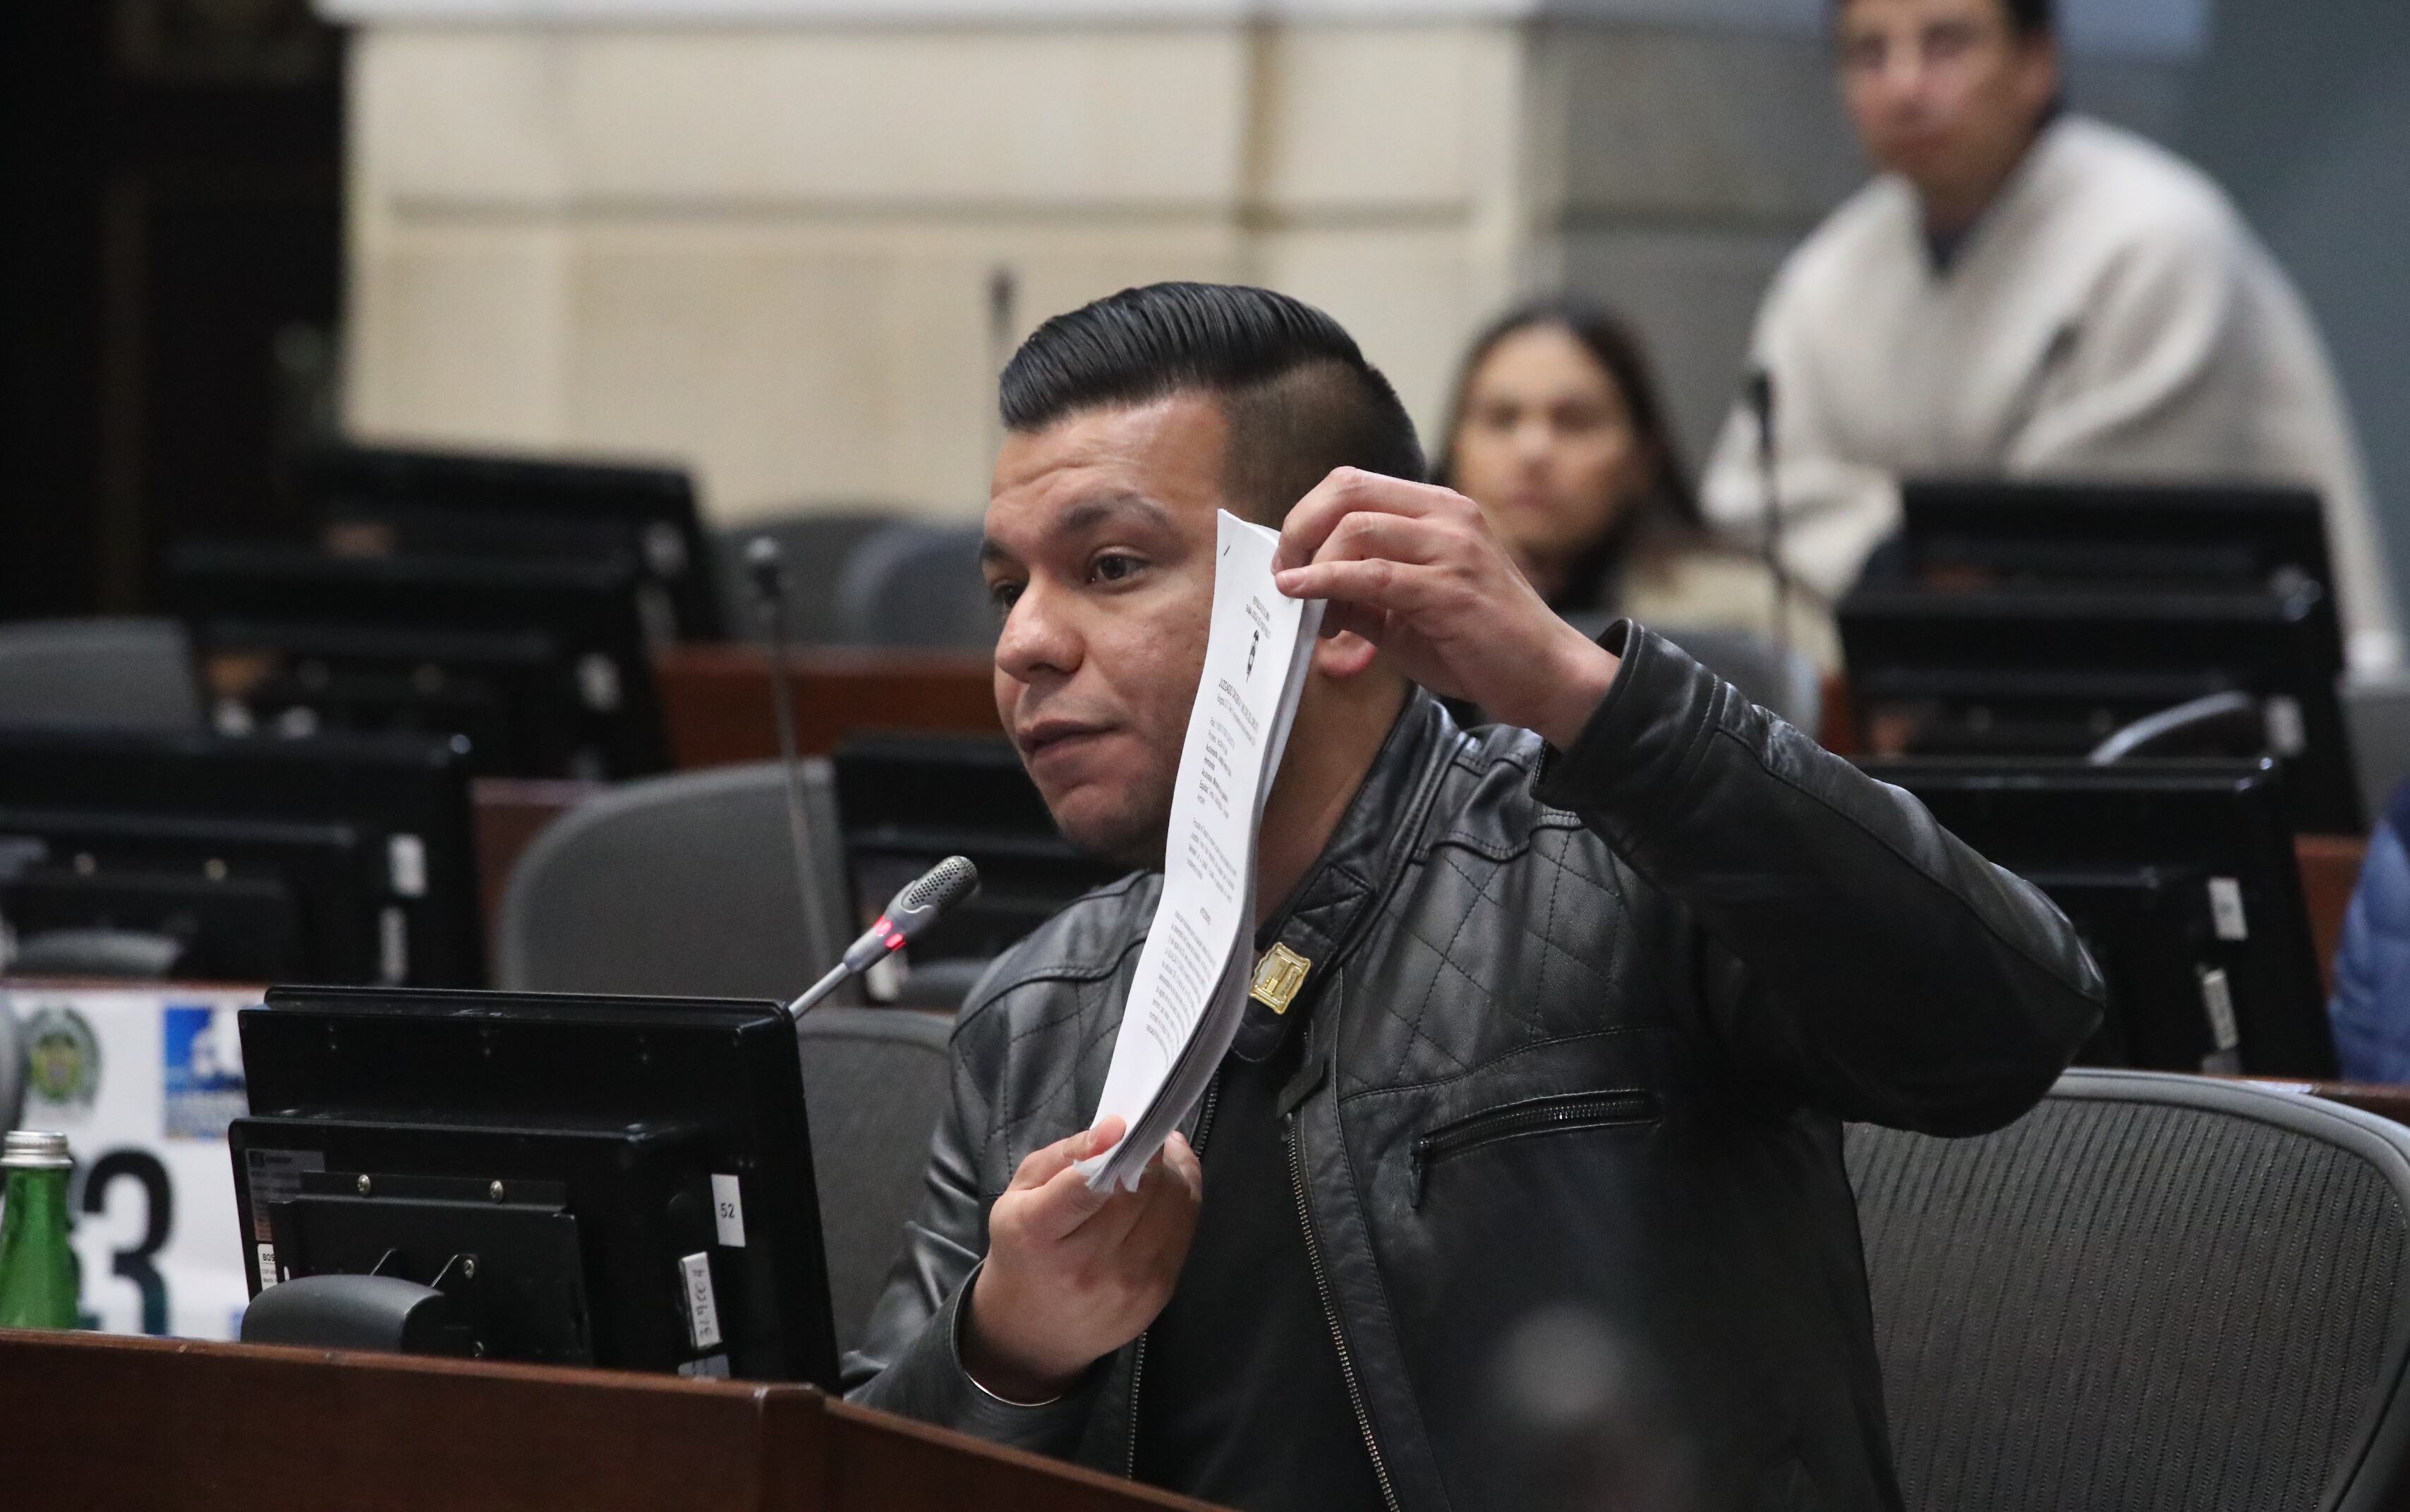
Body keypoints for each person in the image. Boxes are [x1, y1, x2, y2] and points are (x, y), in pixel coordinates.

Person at [845, 281, 2103, 1512]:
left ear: (1331, 608)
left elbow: (2002, 1027)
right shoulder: (1035, 1014)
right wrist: (1005, 1347)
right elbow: (859, 1465)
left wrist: (1582, 692)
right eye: (1010, 587)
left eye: (1110, 566)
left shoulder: (1624, 867)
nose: (1024, 645)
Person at [1699, 0, 2399, 670]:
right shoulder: (1828, 269)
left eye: (1946, 44)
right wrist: (1907, 551)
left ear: (2035, 62)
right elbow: (1748, 491)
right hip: (1929, 684)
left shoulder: (2156, 235)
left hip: (2206, 688)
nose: (1904, 88)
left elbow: (2079, 530)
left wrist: (1911, 543)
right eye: (1868, 53)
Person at [1440, 297, 1831, 663]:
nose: (1533, 451)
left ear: (1643, 457)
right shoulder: (1395, 609)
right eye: (1502, 419)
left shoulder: (1751, 623)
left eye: (1575, 421)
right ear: (1454, 447)